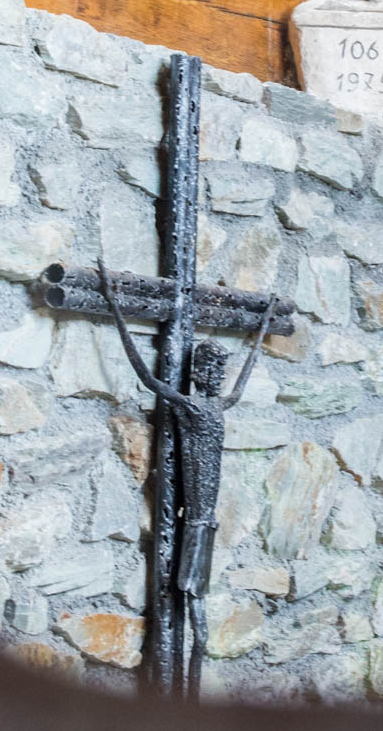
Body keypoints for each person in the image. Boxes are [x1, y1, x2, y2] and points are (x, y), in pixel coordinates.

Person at [96, 259, 277, 695]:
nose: (214, 377)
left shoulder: (217, 405)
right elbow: (145, 374)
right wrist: (115, 304)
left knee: (198, 610)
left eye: (218, 372)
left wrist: (263, 323)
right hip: (194, 517)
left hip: (204, 520)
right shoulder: (193, 406)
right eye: (209, 371)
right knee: (194, 605)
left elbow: (246, 371)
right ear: (198, 374)